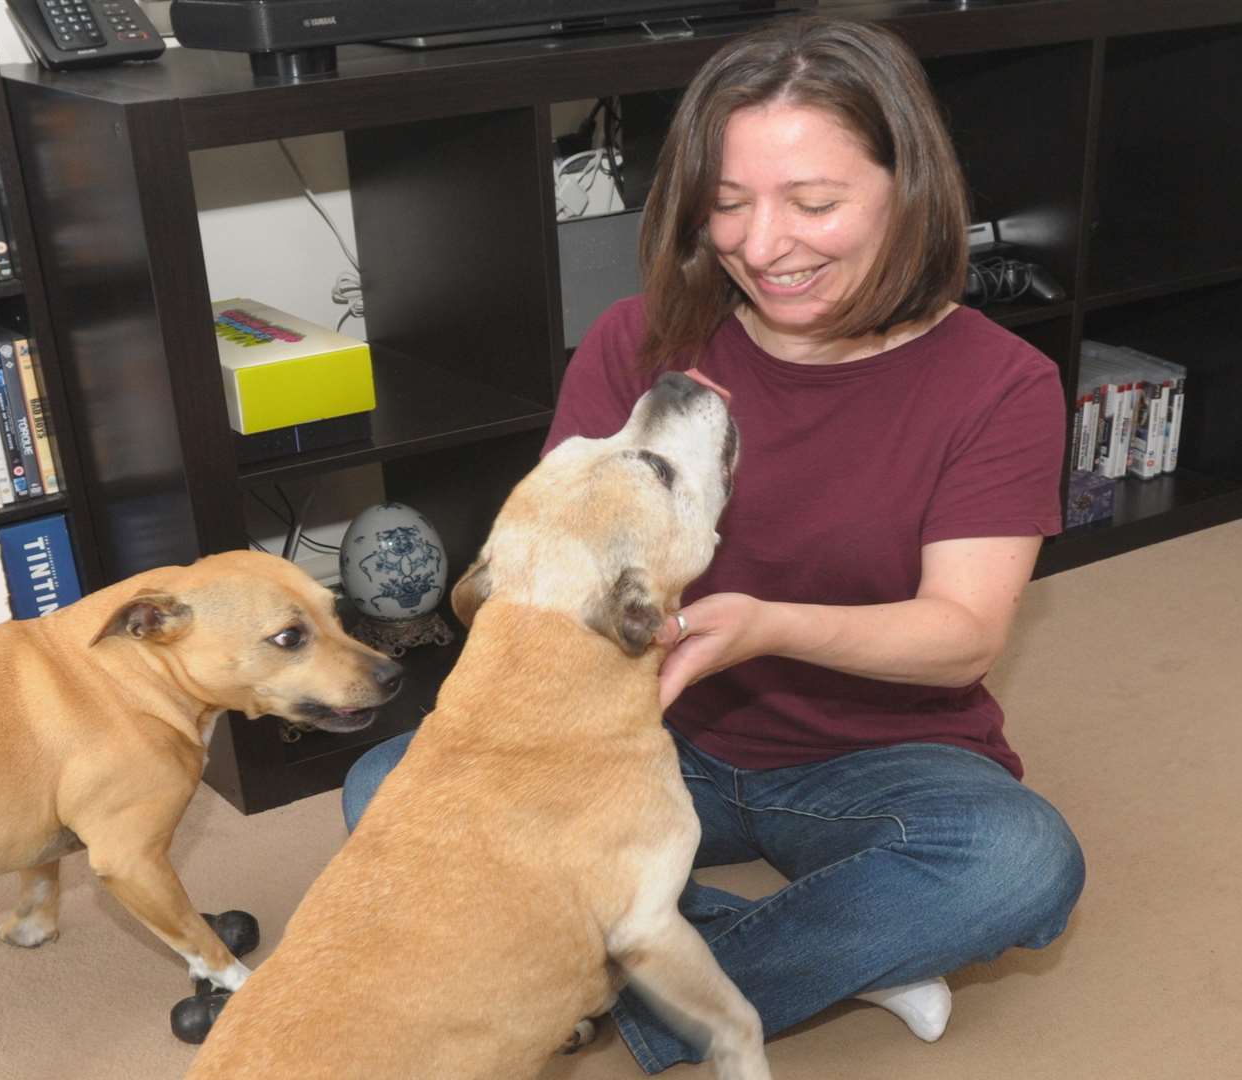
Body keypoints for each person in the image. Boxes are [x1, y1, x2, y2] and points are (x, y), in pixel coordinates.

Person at [340, 15, 1085, 1074]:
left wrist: (767, 627)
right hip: (648, 739)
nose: (762, 244)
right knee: (384, 789)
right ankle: (811, 954)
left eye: (814, 203)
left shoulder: (1001, 384)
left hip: (881, 759)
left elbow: (961, 636)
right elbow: (555, 580)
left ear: (909, 189)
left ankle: (630, 976)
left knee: (1017, 862)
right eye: (728, 204)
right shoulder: (636, 342)